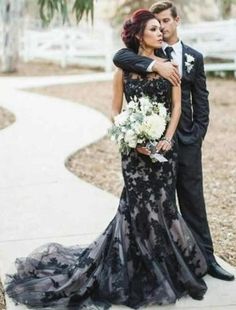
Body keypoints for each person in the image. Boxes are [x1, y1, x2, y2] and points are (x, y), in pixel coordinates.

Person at [6, 10, 209, 310]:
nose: (160, 33)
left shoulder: (171, 66)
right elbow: (115, 109)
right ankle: (134, 270)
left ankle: (166, 269)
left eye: (161, 28)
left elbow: (177, 107)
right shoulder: (124, 69)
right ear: (140, 34)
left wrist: (166, 138)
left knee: (163, 208)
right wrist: (133, 137)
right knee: (135, 209)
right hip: (134, 154)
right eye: (154, 29)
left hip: (165, 150)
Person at [113, 0, 235, 282]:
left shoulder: (193, 56)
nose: (162, 28)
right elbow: (120, 59)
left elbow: (201, 99)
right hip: (154, 141)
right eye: (156, 24)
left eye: (166, 21)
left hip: (186, 138)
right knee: (160, 204)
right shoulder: (138, 57)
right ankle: (165, 262)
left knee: (193, 199)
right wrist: (156, 64)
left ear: (176, 21)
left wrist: (198, 134)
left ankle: (207, 259)